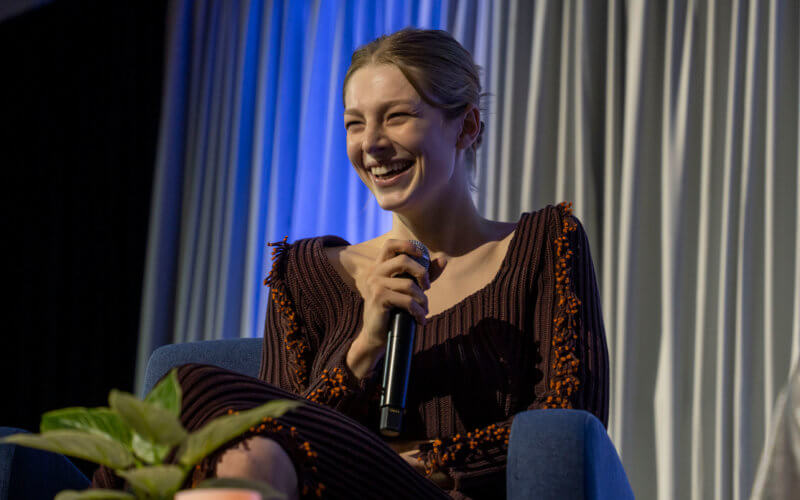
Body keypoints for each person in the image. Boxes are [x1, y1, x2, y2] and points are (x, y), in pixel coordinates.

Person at [94, 28, 609, 500]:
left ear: (467, 125)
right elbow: (279, 432)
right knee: (189, 391)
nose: (371, 144)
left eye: (397, 116)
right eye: (354, 124)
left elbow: (566, 421)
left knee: (195, 389)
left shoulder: (543, 242)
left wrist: (428, 459)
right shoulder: (305, 273)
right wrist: (364, 348)